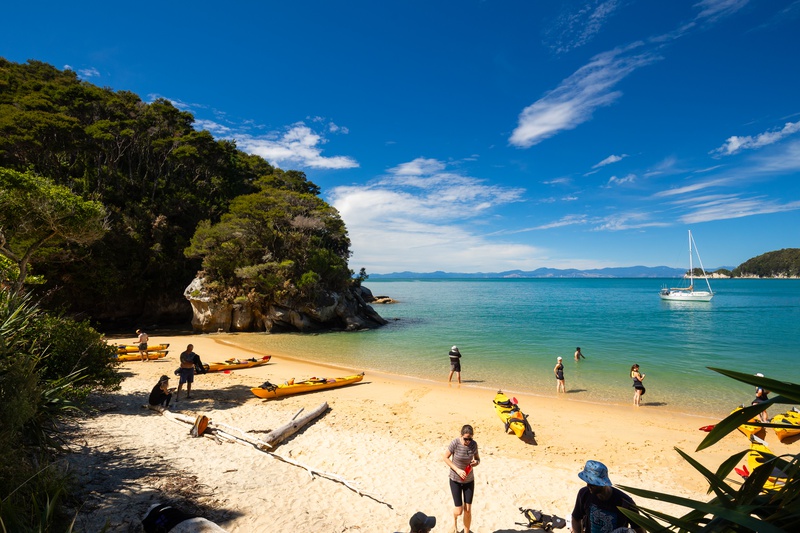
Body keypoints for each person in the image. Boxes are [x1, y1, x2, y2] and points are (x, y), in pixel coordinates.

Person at [571, 460, 643, 533]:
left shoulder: (625, 502)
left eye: (592, 483)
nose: (588, 485)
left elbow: (639, 529)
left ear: (602, 483)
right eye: (587, 482)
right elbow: (576, 518)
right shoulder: (584, 494)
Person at [443, 424, 480, 533]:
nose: (468, 441)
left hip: (469, 480)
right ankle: (454, 522)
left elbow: (478, 459)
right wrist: (458, 470)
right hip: (455, 480)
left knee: (467, 510)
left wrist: (476, 462)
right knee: (459, 510)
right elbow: (445, 457)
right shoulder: (455, 443)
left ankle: (466, 531)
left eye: (470, 439)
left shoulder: (473, 445)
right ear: (461, 435)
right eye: (466, 439)